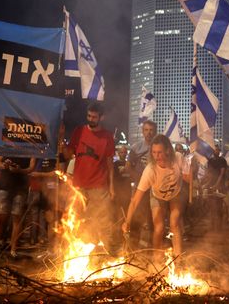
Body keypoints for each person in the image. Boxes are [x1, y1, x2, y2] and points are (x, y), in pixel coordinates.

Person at [121, 135, 190, 259]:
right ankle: (156, 258)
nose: (156, 156)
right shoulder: (150, 170)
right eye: (153, 152)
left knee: (174, 223)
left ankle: (178, 258)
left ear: (168, 150)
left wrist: (190, 170)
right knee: (159, 227)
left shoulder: (178, 158)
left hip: (176, 194)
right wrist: (127, 221)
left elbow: (188, 177)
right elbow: (135, 199)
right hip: (157, 196)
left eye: (159, 152)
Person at [66, 102, 115, 251]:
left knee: (102, 220)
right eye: (89, 116)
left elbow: (109, 164)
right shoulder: (79, 131)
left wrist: (112, 186)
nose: (90, 119)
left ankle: (105, 251)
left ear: (101, 117)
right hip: (79, 185)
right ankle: (75, 250)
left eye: (94, 117)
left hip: (99, 185)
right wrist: (62, 143)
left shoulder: (107, 137)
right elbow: (68, 155)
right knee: (76, 219)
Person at [0, 156, 36, 259]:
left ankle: (13, 250)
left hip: (20, 189)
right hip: (4, 186)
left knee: (16, 218)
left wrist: (20, 170)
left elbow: (31, 167)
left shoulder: (30, 147)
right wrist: (4, 165)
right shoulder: (8, 144)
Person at [126, 120, 157, 248]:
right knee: (136, 218)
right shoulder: (136, 147)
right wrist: (138, 179)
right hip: (140, 188)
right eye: (146, 130)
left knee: (153, 220)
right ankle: (133, 248)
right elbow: (128, 166)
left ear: (155, 131)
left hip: (155, 189)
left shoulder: (158, 147)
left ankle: (152, 249)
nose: (149, 133)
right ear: (142, 131)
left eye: (151, 130)